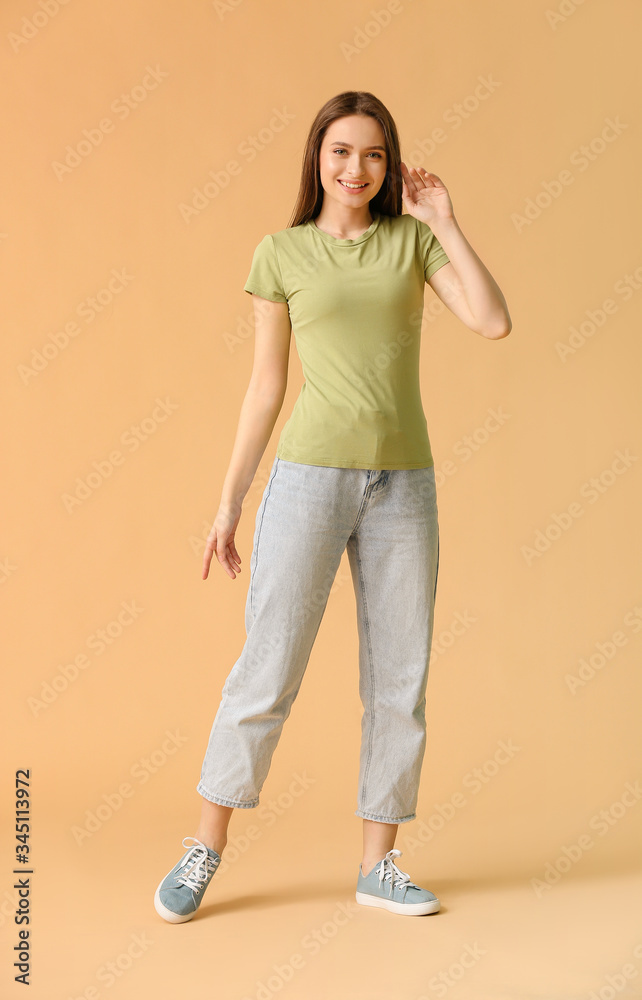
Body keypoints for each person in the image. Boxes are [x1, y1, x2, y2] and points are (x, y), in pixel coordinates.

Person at [154, 90, 511, 923]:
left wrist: (448, 221)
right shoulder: (280, 253)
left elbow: (492, 322)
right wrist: (227, 503)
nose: (358, 169)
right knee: (268, 667)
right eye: (343, 151)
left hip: (404, 486)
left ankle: (378, 864)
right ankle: (205, 846)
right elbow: (266, 388)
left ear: (391, 166)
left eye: (375, 155)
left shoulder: (411, 242)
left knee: (400, 678)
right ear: (317, 156)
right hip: (310, 478)